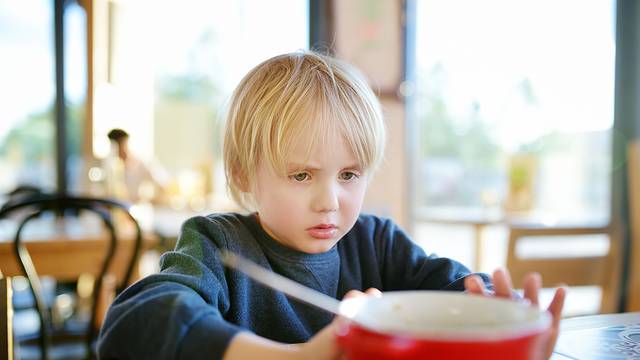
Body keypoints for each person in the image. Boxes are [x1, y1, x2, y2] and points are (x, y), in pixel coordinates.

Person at [97, 51, 565, 360]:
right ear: (243, 175)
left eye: (349, 175)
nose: (329, 202)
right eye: (301, 175)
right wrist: (300, 357)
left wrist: (498, 319)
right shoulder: (219, 243)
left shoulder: (375, 241)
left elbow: (454, 288)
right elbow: (130, 325)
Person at [106, 128, 168, 203]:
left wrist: (149, 199)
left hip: (137, 208)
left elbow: (163, 184)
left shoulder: (142, 162)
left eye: (120, 145)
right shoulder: (111, 166)